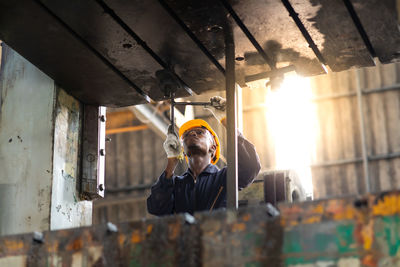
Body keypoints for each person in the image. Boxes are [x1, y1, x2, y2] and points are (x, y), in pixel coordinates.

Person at [147, 96, 261, 215]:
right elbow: (156, 208)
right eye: (186, 135)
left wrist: (229, 123)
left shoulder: (224, 178)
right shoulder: (175, 185)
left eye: (200, 132)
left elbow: (250, 166)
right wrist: (171, 161)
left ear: (213, 147)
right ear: (183, 151)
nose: (192, 133)